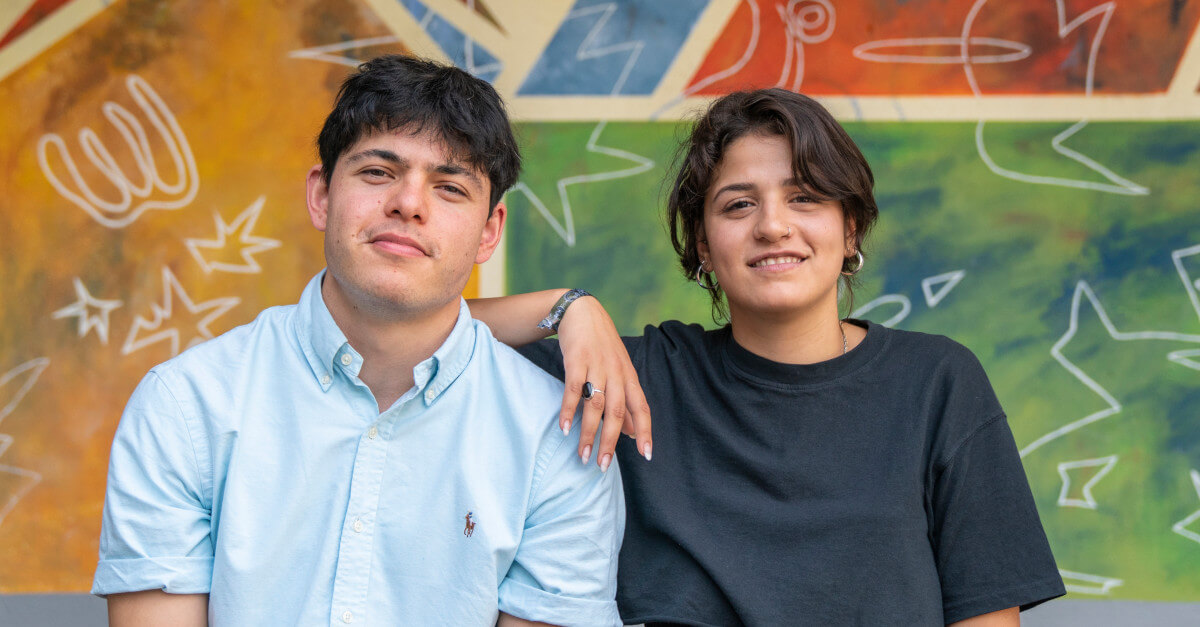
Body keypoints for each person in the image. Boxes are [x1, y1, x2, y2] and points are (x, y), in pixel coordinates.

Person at [469, 88, 1065, 625]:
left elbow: (986, 614)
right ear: (703, 244)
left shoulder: (938, 381)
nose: (774, 226)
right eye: (737, 205)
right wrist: (569, 308)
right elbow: (404, 334)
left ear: (850, 228)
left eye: (804, 197)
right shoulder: (632, 378)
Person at [92, 55, 624, 627]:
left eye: (449, 187)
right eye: (377, 172)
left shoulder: (557, 438)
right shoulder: (186, 406)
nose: (408, 203)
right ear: (321, 196)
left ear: (489, 232)